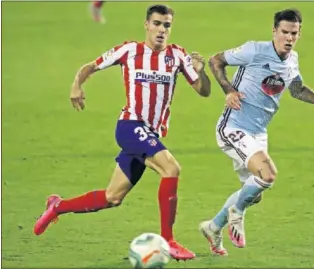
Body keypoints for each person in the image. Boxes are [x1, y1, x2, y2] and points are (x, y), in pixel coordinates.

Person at [34, 4, 211, 261]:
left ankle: (58, 206)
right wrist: (76, 85)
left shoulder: (178, 56)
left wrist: (201, 69)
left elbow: (203, 90)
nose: (162, 30)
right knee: (171, 169)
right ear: (146, 25)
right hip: (130, 126)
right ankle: (168, 241)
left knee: (112, 197)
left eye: (167, 25)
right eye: (157, 24)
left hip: (149, 133)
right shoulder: (129, 50)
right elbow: (90, 66)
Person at [199, 8, 314, 256]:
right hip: (234, 127)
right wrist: (228, 90)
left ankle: (213, 226)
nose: (289, 38)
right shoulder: (254, 50)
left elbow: (297, 90)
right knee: (267, 174)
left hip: (258, 133)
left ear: (299, 33)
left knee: (253, 192)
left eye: (294, 33)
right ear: (274, 31)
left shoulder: (292, 60)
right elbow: (215, 60)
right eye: (284, 32)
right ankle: (236, 213)